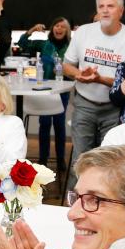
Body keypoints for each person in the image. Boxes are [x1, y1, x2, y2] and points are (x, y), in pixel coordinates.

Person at [62, 0, 125, 189]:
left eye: (110, 6)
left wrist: (100, 79)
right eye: (101, 6)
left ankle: (103, 204)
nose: (105, 11)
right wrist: (79, 75)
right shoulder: (84, 32)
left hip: (113, 108)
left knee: (109, 160)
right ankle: (73, 204)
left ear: (121, 10)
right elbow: (66, 66)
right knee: (81, 158)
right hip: (84, 104)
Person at [36, 17, 71, 170]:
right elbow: (23, 43)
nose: (59, 28)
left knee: (59, 124)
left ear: (67, 30)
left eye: (63, 26)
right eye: (57, 25)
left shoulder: (71, 47)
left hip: (61, 90)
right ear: (53, 28)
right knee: (44, 124)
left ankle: (60, 159)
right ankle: (42, 158)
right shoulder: (45, 44)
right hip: (45, 90)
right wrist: (32, 30)